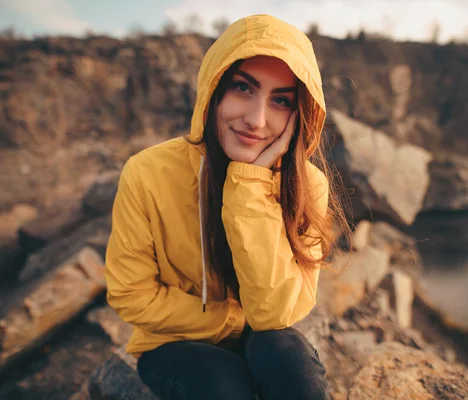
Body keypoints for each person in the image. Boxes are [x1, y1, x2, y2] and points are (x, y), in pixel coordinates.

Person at [105, 14, 351, 400]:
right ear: (214, 90)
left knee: (292, 362)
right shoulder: (147, 173)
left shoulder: (308, 186)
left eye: (281, 101)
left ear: (298, 115)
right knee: (221, 382)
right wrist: (231, 321)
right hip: (171, 343)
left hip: (262, 333)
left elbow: (277, 314)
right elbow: (130, 294)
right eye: (243, 87)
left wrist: (248, 188)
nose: (256, 120)